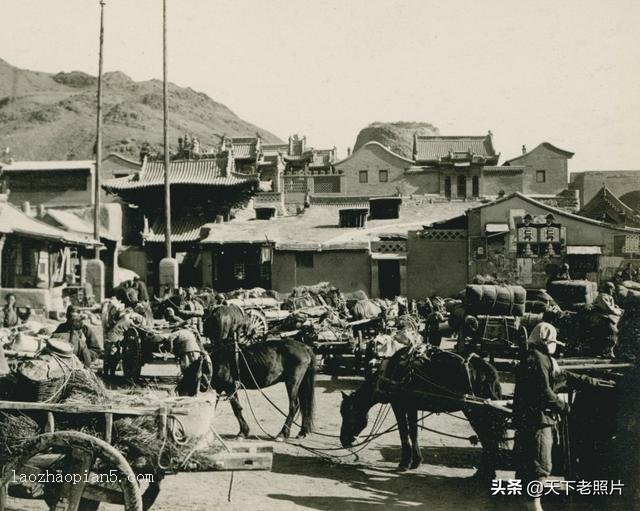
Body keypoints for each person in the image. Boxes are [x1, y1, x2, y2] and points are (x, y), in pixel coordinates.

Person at [513, 322, 603, 511]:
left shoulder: (539, 357)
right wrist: (565, 407)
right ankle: (534, 506)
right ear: (545, 341)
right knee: (540, 463)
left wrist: (589, 381)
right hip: (538, 419)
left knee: (527, 461)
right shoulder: (538, 360)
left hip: (530, 417)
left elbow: (562, 375)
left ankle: (525, 503)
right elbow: (544, 393)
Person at [593, 281, 624, 357]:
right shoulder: (602, 296)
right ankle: (607, 352)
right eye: (612, 289)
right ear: (607, 289)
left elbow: (613, 307)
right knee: (612, 331)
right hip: (601, 317)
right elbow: (608, 308)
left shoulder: (609, 297)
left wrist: (619, 309)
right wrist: (619, 312)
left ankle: (612, 350)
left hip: (609, 317)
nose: (613, 291)